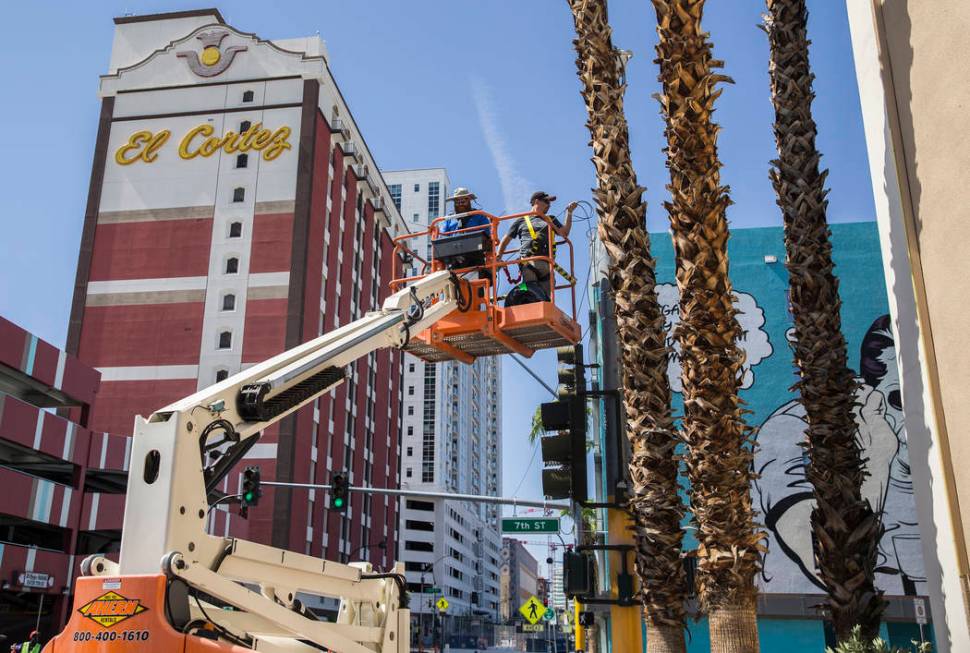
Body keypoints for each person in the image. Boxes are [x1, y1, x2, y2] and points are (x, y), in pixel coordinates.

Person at [497, 191, 577, 302]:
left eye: (550, 202)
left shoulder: (550, 219)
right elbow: (505, 240)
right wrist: (498, 256)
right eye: (546, 201)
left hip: (546, 264)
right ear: (536, 201)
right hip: (529, 262)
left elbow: (564, 233)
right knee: (531, 294)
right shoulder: (521, 220)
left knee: (545, 300)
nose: (549, 205)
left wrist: (569, 212)